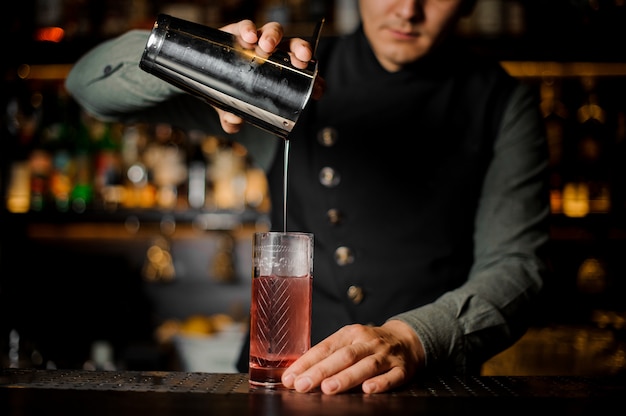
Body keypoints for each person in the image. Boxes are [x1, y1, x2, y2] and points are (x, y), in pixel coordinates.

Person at [65, 0, 550, 395]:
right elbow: (87, 85)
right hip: (274, 388)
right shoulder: (288, 76)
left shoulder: (502, 102)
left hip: (424, 390)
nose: (408, 10)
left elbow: (517, 266)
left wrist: (417, 337)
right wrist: (212, 56)